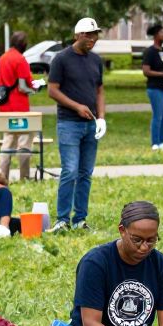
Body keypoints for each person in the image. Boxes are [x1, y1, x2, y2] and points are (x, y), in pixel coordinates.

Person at [47, 17, 107, 231]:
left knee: (85, 173)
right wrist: (77, 107)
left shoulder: (96, 60)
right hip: (69, 124)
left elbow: (99, 90)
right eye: (87, 34)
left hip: (91, 125)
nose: (92, 38)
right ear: (77, 35)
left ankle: (80, 219)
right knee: (70, 171)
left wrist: (101, 117)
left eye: (95, 34)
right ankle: (62, 220)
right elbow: (52, 89)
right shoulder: (61, 59)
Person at [0, 31, 36, 181]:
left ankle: (2, 176)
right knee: (24, 142)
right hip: (19, 106)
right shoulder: (20, 60)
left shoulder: (2, 58)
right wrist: (34, 89)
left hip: (4, 107)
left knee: (7, 142)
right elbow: (22, 87)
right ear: (24, 45)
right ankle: (24, 176)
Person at [142, 23, 163, 153]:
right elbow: (146, 71)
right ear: (156, 35)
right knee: (158, 116)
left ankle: (162, 142)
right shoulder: (150, 52)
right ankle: (155, 143)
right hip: (155, 88)